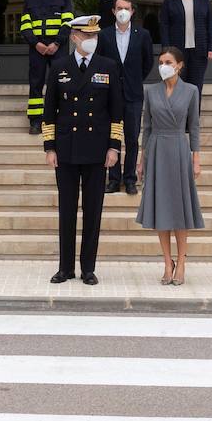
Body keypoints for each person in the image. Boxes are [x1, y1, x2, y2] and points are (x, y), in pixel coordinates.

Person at [41, 16, 123, 286]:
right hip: (66, 149)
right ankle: (65, 268)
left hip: (97, 149)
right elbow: (49, 111)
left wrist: (114, 146)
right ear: (75, 37)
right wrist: (49, 147)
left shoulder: (108, 66)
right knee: (66, 210)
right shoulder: (59, 66)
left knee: (93, 211)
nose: (92, 40)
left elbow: (117, 112)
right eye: (87, 36)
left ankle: (88, 267)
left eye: (95, 35)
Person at [135, 48, 204, 286]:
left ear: (180, 65)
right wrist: (141, 158)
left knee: (180, 209)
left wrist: (196, 158)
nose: (163, 65)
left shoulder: (191, 91)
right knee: (161, 208)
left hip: (178, 148)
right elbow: (147, 126)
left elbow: (194, 127)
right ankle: (167, 262)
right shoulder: (151, 91)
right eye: (161, 62)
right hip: (156, 149)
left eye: (168, 62)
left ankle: (181, 261)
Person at [97, 0, 153, 195]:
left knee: (131, 138)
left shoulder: (143, 35)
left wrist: (135, 79)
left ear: (132, 11)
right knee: (112, 138)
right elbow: (100, 63)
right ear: (113, 11)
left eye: (126, 8)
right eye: (119, 7)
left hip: (133, 94)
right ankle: (113, 179)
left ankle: (129, 179)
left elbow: (148, 63)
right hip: (110, 96)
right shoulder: (103, 35)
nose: (123, 11)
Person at [21, 0, 73, 135]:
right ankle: (36, 121)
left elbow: (67, 23)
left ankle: (60, 119)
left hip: (58, 48)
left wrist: (57, 43)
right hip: (37, 49)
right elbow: (25, 26)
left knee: (61, 83)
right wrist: (36, 44)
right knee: (36, 84)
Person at [158, 0, 212, 91]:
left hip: (199, 50)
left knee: (196, 87)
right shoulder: (169, 2)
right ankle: (178, 111)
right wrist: (166, 49)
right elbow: (164, 27)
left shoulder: (203, 0)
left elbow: (210, 24)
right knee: (177, 85)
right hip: (177, 51)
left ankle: (194, 111)